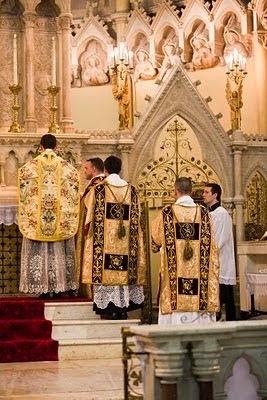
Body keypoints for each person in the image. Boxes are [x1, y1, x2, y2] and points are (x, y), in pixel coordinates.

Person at [82, 155, 146, 319]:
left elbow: (88, 215)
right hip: (126, 242)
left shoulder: (99, 189)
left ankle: (111, 309)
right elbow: (138, 215)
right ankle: (123, 307)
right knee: (124, 272)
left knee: (106, 271)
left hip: (106, 243)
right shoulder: (132, 190)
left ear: (105, 170)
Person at [18, 134, 80, 299]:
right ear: (57, 147)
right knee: (57, 251)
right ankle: (60, 286)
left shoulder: (29, 167)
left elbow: (24, 185)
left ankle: (43, 288)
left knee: (41, 249)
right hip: (59, 220)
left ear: (40, 147)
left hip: (38, 219)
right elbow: (73, 188)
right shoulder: (68, 168)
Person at [151, 177, 220, 325]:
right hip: (198, 273)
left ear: (175, 192)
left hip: (175, 274)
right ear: (192, 192)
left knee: (174, 294)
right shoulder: (204, 213)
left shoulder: (167, 212)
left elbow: (155, 239)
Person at [202, 183, 237, 321]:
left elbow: (219, 240)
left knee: (226, 296)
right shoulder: (211, 213)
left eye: (206, 192)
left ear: (215, 195)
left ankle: (231, 323)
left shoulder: (221, 214)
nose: (203, 194)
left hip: (221, 261)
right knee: (217, 296)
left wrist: (206, 251)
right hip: (214, 260)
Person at [75, 158, 105, 297]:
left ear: (94, 169)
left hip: (93, 233)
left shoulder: (96, 187)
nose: (84, 172)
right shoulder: (104, 185)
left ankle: (89, 290)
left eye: (86, 169)